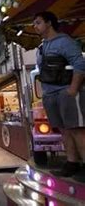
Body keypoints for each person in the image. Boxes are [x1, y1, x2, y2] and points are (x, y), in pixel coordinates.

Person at [33, 11, 85, 180]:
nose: (35, 26)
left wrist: (73, 88)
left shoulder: (64, 42)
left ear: (49, 23)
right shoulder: (42, 46)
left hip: (65, 90)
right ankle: (72, 162)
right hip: (50, 93)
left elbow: (80, 63)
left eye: (38, 22)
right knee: (64, 130)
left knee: (76, 129)